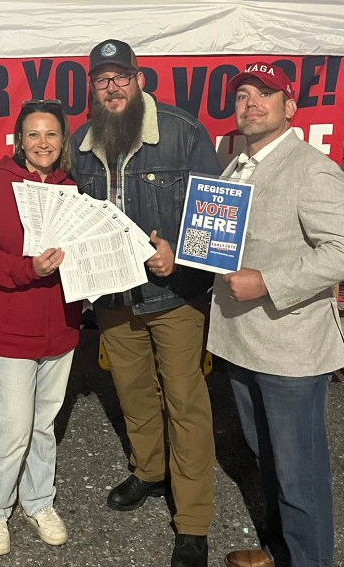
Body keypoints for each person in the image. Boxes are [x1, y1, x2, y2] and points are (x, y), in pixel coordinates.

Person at [69, 39, 221, 567]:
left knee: (185, 402)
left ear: (140, 81)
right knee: (133, 392)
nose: (112, 88)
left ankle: (194, 521)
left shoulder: (183, 132)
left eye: (121, 77)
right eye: (101, 80)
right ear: (92, 88)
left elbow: (215, 217)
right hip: (113, 297)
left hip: (174, 296)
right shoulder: (80, 142)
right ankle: (150, 472)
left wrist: (180, 256)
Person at [208, 62, 344, 567]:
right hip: (242, 340)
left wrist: (268, 282)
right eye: (243, 95)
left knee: (300, 474)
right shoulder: (235, 166)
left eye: (265, 94)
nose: (251, 103)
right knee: (268, 460)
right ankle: (282, 551)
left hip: (290, 350)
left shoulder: (313, 168)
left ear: (289, 107)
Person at [0, 99, 82, 556]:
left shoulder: (72, 189)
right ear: (19, 140)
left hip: (61, 328)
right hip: (11, 326)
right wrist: (28, 268)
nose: (43, 143)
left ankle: (38, 501)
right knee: (13, 426)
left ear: (62, 141)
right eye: (34, 134)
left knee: (44, 425)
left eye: (51, 134)